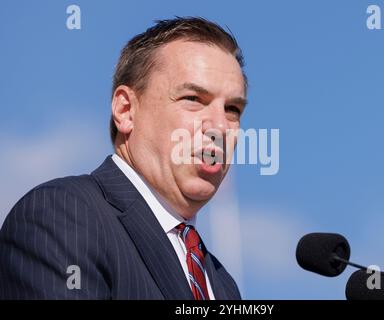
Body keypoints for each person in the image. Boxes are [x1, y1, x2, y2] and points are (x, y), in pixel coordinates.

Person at [0, 17, 247, 299]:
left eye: (233, 109)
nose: (219, 126)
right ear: (126, 110)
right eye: (192, 98)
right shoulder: (63, 215)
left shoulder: (222, 284)